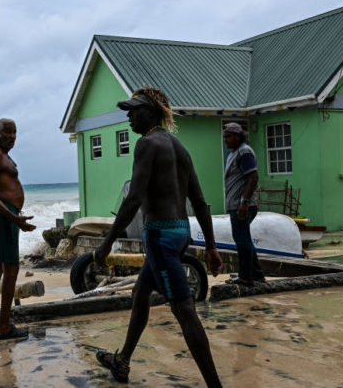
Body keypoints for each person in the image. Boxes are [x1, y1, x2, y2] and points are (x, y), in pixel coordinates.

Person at [93, 87, 223, 387]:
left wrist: (108, 240)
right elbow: (200, 202)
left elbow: (134, 198)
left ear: (150, 112)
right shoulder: (179, 147)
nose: (128, 116)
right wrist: (212, 247)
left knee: (185, 311)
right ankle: (123, 361)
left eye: (133, 110)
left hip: (160, 236)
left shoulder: (147, 144)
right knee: (140, 294)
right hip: (180, 233)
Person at [0, 118, 36, 340]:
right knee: (10, 268)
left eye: (15, 132)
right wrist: (13, 217)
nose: (12, 136)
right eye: (8, 132)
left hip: (1, 214)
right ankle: (3, 326)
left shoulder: (1, 155)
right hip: (3, 215)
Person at [222, 122, 265, 286]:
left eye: (228, 137)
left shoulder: (244, 152)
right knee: (243, 238)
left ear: (238, 136)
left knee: (242, 240)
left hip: (242, 205)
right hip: (236, 204)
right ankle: (257, 274)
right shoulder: (234, 153)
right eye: (224, 137)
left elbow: (253, 177)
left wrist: (245, 203)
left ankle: (246, 276)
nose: (226, 140)